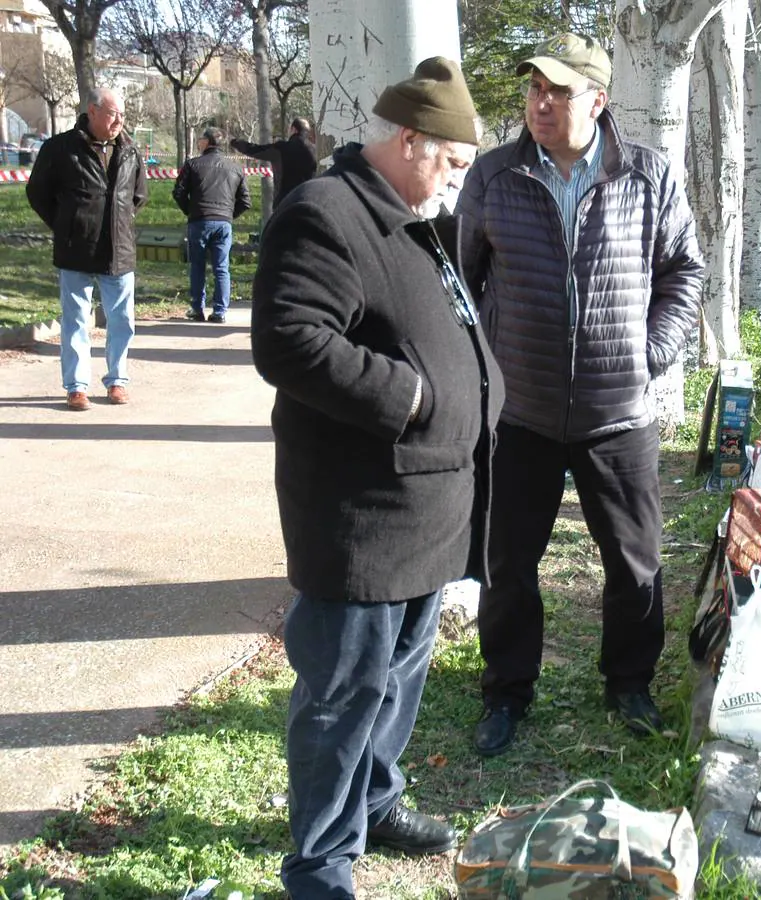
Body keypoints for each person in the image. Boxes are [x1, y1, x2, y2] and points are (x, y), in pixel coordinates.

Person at [251, 58, 501, 900]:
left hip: (427, 506)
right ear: (407, 140)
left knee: (398, 681)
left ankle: (377, 802)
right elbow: (290, 340)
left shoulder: (411, 212)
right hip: (361, 514)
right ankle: (320, 866)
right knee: (342, 698)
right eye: (452, 162)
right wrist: (417, 394)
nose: (457, 181)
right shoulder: (325, 212)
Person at [457, 32, 704, 757]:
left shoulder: (648, 176)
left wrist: (649, 353)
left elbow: (683, 273)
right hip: (521, 413)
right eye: (533, 88)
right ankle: (506, 692)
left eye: (557, 91)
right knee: (507, 564)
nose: (540, 102)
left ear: (597, 100)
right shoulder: (494, 176)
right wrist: (481, 371)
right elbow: (463, 283)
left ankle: (627, 685)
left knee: (634, 563)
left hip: (617, 413)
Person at [25, 87, 147, 410]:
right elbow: (38, 193)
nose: (119, 120)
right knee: (76, 319)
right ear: (92, 112)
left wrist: (120, 223)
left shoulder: (130, 150)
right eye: (112, 113)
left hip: (118, 250)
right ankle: (76, 387)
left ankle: (117, 381)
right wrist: (66, 224)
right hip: (75, 249)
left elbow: (139, 195)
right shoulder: (60, 148)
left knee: (122, 320)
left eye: (122, 114)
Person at [173, 127, 250, 323]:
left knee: (197, 266)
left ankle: (197, 308)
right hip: (224, 223)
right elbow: (245, 201)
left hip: (199, 221)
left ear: (207, 142)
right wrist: (228, 215)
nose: (199, 142)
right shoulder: (235, 168)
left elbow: (178, 192)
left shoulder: (193, 165)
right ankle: (220, 311)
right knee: (222, 268)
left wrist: (190, 211)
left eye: (201, 139)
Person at [230, 117, 318, 205]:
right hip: (307, 201)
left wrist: (235, 142)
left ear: (293, 129)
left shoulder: (281, 148)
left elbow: (255, 150)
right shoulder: (316, 151)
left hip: (284, 202)